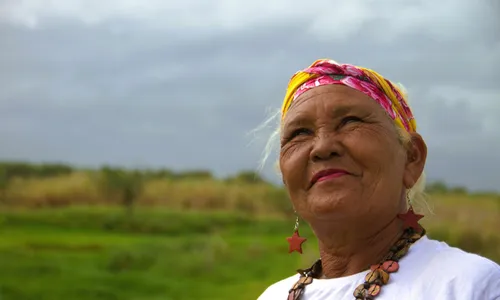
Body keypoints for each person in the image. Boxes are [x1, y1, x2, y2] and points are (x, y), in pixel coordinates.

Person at [256, 59, 500, 300]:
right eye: (300, 133)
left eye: (350, 121)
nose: (322, 147)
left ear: (411, 158)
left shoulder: (472, 285)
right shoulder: (273, 296)